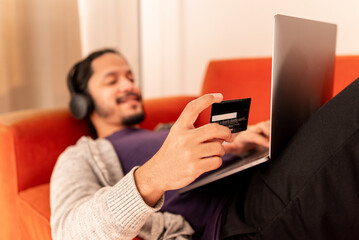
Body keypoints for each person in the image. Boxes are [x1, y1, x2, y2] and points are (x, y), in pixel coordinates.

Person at [50, 49, 359, 240]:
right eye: (112, 80)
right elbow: (67, 232)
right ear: (82, 102)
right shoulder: (81, 156)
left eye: (130, 76)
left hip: (261, 178)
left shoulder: (165, 131)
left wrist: (240, 144)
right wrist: (153, 176)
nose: (130, 85)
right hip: (237, 219)